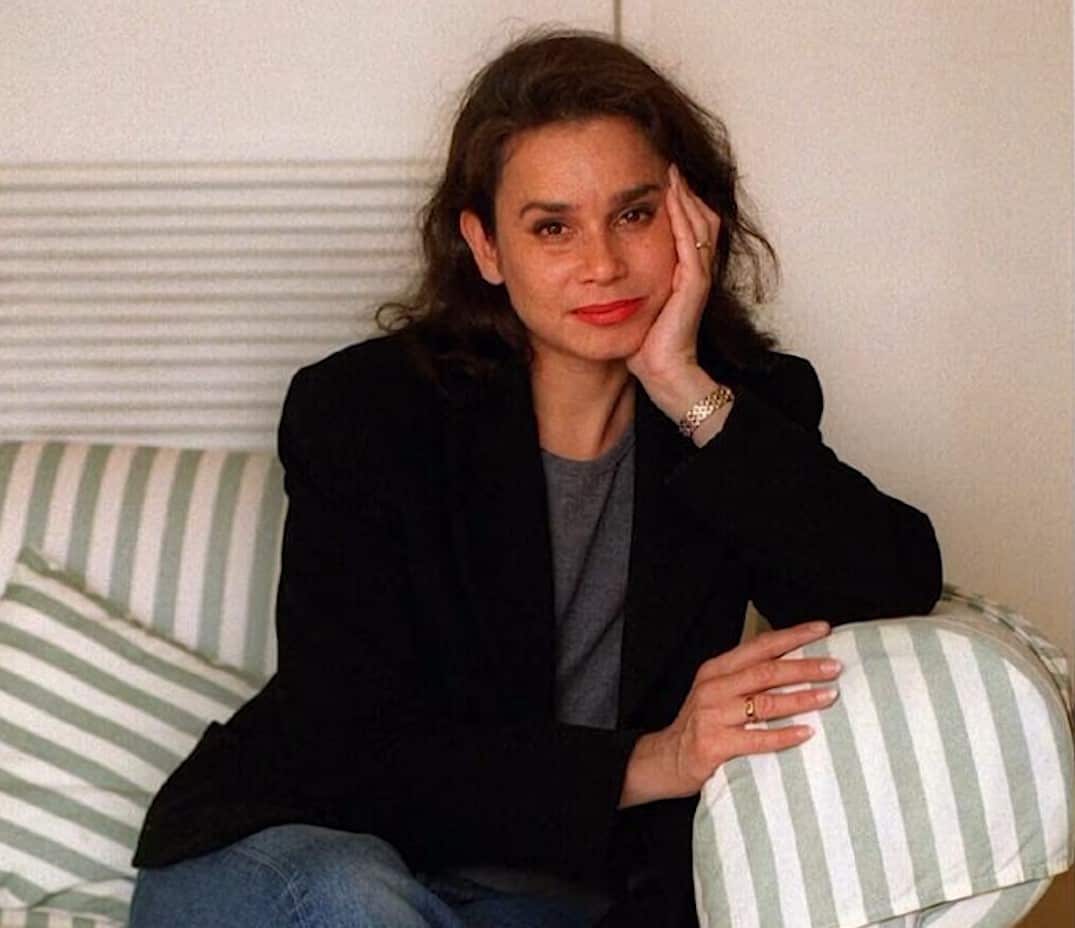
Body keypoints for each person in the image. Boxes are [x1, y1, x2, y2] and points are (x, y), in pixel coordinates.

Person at [129, 30, 942, 928]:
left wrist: (678, 381)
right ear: (484, 246)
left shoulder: (736, 414)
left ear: (691, 220)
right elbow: (356, 748)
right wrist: (654, 760)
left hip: (537, 886)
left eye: (634, 214)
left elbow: (888, 586)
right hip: (294, 847)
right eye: (552, 226)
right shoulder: (364, 412)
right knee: (353, 901)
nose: (601, 263)